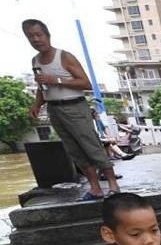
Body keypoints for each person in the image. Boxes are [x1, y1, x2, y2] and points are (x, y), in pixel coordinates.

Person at [23, 19, 121, 201]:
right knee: (74, 150)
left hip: (75, 106)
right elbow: (42, 87)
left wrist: (58, 80)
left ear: (47, 35)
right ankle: (95, 188)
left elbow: (86, 83)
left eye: (39, 35)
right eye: (31, 36)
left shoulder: (64, 57)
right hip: (55, 109)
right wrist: (37, 105)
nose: (36, 39)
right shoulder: (35, 61)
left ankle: (113, 185)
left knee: (91, 145)